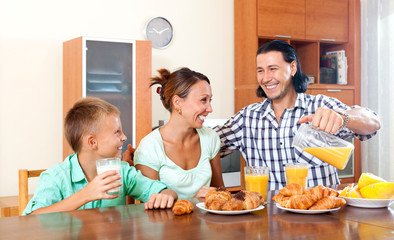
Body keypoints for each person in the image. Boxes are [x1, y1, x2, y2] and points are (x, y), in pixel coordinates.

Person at [215, 40, 381, 190]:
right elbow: (206, 145)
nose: (266, 78)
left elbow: (373, 122)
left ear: (292, 68)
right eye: (260, 71)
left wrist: (343, 117)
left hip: (321, 219)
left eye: (273, 69)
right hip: (268, 219)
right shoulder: (246, 119)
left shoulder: (320, 106)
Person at [23, 97, 177, 215]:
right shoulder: (56, 177)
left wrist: (165, 195)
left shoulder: (122, 171)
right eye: (117, 132)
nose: (124, 137)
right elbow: (30, 219)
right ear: (92, 142)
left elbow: (162, 190)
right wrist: (85, 195)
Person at [131, 67, 224, 199]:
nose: (210, 108)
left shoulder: (210, 138)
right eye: (203, 100)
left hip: (206, 220)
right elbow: (151, 210)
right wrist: (194, 202)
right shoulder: (150, 147)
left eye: (210, 100)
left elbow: (220, 191)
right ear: (177, 102)